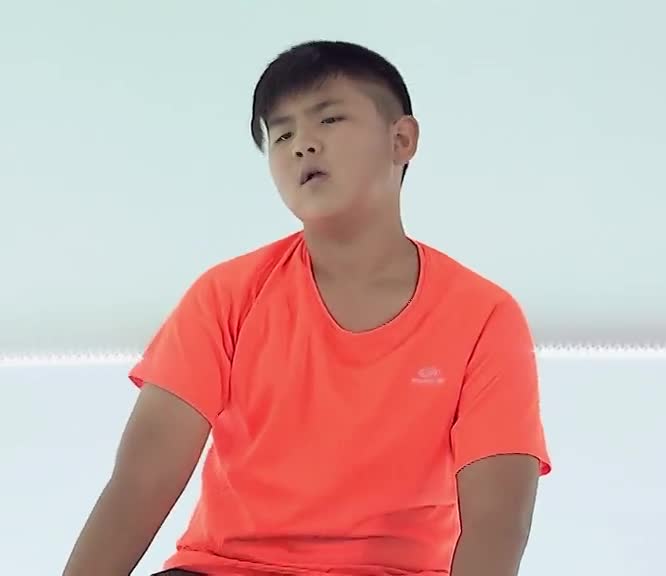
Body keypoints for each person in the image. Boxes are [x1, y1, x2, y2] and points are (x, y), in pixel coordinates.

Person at [62, 40, 551, 576]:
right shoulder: (226, 295)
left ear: (401, 140)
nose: (302, 145)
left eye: (329, 119)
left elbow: (497, 520)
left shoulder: (485, 316)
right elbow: (141, 481)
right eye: (283, 134)